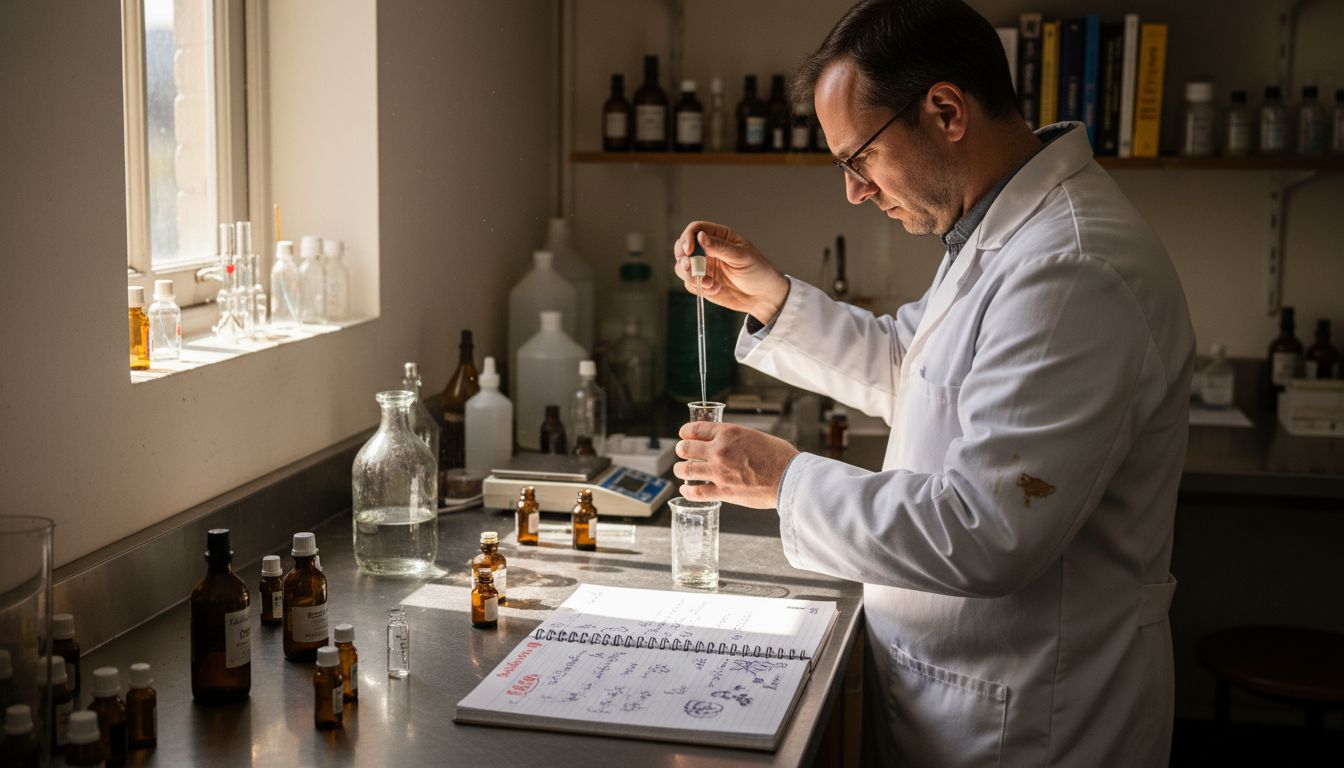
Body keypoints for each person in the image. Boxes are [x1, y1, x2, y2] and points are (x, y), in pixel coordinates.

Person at [670, 1, 1195, 765]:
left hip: (1035, 720)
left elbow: (987, 530)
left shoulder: (1072, 266)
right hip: (963, 695)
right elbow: (914, 368)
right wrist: (770, 298)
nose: (854, 191)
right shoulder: (1001, 235)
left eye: (859, 159)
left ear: (946, 110)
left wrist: (785, 480)